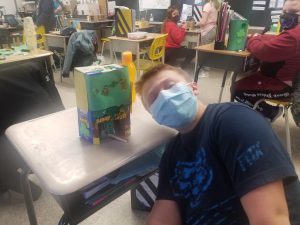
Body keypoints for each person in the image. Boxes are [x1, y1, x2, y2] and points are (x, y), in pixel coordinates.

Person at [135, 64, 300, 225]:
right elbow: (163, 217)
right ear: (155, 116)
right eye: (154, 97)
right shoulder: (171, 154)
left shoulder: (234, 120)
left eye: (170, 85)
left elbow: (271, 218)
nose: (164, 95)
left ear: (193, 87)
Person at [232, 0, 300, 122]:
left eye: (293, 12)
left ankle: (270, 113)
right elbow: (277, 38)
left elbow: (263, 51)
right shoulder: (293, 32)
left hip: (281, 85)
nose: (286, 15)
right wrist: (258, 37)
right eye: (284, 11)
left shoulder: (294, 36)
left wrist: (251, 40)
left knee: (236, 89)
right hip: (285, 79)